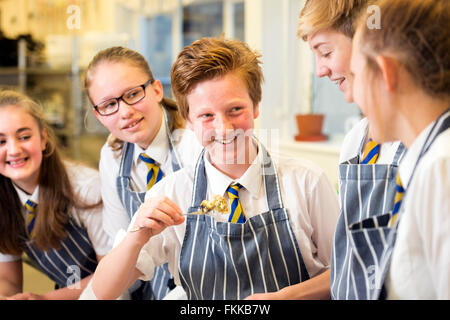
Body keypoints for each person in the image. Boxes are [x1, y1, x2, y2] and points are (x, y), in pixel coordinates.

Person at [84, 37, 340, 300]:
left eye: (235, 109)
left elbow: (350, 269)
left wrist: (288, 297)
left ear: (256, 106)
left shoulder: (306, 181)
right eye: (207, 116)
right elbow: (104, 292)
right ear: (189, 120)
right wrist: (136, 236)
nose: (224, 129)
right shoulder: (171, 194)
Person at [297, 0, 406, 299]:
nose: (320, 70)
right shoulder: (355, 141)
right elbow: (348, 264)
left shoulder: (418, 142)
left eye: (326, 52)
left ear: (367, 41)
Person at [83, 47, 202, 299]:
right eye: (108, 105)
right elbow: (121, 253)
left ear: (157, 89)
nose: (125, 112)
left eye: (133, 94)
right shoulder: (113, 157)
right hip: (147, 284)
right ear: (98, 115)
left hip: (204, 279)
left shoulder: (195, 142)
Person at [350, 0, 449, 299]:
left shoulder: (441, 168)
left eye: (355, 76)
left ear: (385, 72)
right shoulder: (427, 160)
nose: (352, 95)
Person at [0, 90, 111, 300]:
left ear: (43, 139)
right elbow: (9, 280)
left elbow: (115, 274)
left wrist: (46, 298)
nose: (13, 150)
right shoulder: (4, 201)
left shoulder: (85, 188)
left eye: (24, 137)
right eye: (1, 142)